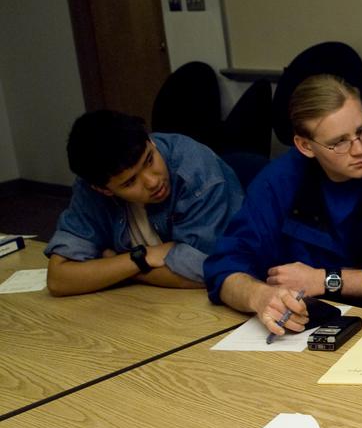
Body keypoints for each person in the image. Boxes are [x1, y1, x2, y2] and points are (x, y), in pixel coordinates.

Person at [205, 75, 362, 335]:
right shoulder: (278, 182)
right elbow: (224, 266)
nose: (359, 150)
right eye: (339, 142)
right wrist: (259, 296)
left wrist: (325, 279)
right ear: (305, 146)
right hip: (309, 328)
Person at [45, 110, 243, 296]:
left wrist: (113, 265)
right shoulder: (92, 185)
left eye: (149, 160)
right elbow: (59, 279)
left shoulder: (196, 171)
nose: (152, 181)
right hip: (144, 305)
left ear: (150, 141)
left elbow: (214, 272)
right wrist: (142, 257)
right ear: (103, 189)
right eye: (130, 182)